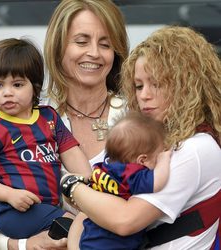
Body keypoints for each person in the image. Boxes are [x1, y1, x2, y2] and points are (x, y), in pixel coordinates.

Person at [0, 0, 129, 249]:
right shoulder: (25, 114)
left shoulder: (134, 117)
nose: (95, 53)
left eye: (105, 44)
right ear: (58, 48)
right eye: (81, 41)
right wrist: (22, 245)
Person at [61, 25, 221, 250]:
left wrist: (71, 185)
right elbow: (89, 214)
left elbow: (124, 220)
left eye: (157, 83)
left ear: (187, 85)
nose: (144, 95)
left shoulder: (196, 148)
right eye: (138, 86)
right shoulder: (157, 142)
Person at [0, 38, 92, 239]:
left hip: (49, 207)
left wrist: (90, 183)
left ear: (35, 86)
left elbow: (71, 152)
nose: (7, 93)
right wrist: (9, 195)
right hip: (16, 213)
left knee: (85, 225)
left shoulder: (49, 117)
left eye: (17, 84)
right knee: (81, 228)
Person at [67, 111, 171, 249]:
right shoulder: (132, 174)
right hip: (115, 244)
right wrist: (165, 158)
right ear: (142, 160)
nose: (159, 157)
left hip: (90, 239)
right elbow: (157, 182)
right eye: (157, 154)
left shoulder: (106, 168)